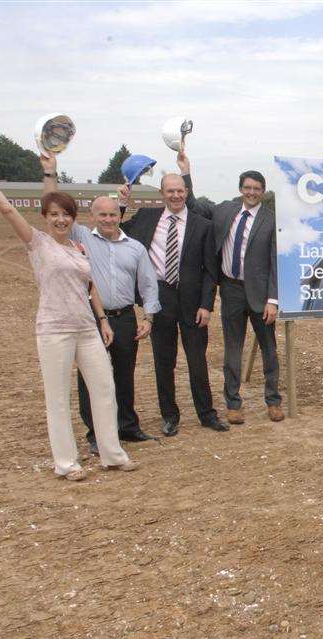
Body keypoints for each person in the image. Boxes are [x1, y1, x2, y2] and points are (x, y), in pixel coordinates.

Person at [0, 153, 138, 480]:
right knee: (58, 398)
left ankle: (111, 454)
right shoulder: (38, 243)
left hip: (87, 330)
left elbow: (90, 287)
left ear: (73, 218)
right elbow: (7, 209)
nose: (61, 220)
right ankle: (67, 463)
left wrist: (102, 320)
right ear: (46, 217)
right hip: (54, 331)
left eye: (66, 215)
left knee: (104, 389)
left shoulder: (79, 248)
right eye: (54, 215)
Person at [40, 154, 160, 455]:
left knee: (123, 373)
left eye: (112, 215)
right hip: (90, 319)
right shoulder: (81, 237)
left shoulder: (135, 248)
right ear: (92, 217)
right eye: (101, 215)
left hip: (124, 318)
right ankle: (95, 433)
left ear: (120, 216)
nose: (107, 220)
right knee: (90, 378)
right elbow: (55, 207)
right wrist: (50, 173)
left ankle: (127, 427)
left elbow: (148, 284)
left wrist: (148, 317)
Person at [120, 154, 228, 436]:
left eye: (180, 191)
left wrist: (207, 305)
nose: (176, 195)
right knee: (164, 361)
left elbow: (209, 270)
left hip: (192, 302)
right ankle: (170, 416)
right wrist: (121, 202)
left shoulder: (202, 225)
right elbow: (114, 231)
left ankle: (207, 414)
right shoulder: (146, 218)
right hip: (159, 299)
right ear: (162, 193)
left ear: (187, 193)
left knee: (197, 361)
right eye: (171, 191)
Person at [179, 152, 283, 424]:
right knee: (232, 351)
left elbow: (274, 261)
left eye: (257, 189)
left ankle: (273, 401)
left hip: (261, 295)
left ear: (263, 192)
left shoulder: (272, 220)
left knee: (269, 351)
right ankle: (233, 404)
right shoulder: (224, 210)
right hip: (231, 291)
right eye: (247, 188)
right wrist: (186, 173)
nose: (252, 192)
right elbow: (192, 205)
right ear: (240, 189)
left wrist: (273, 299)